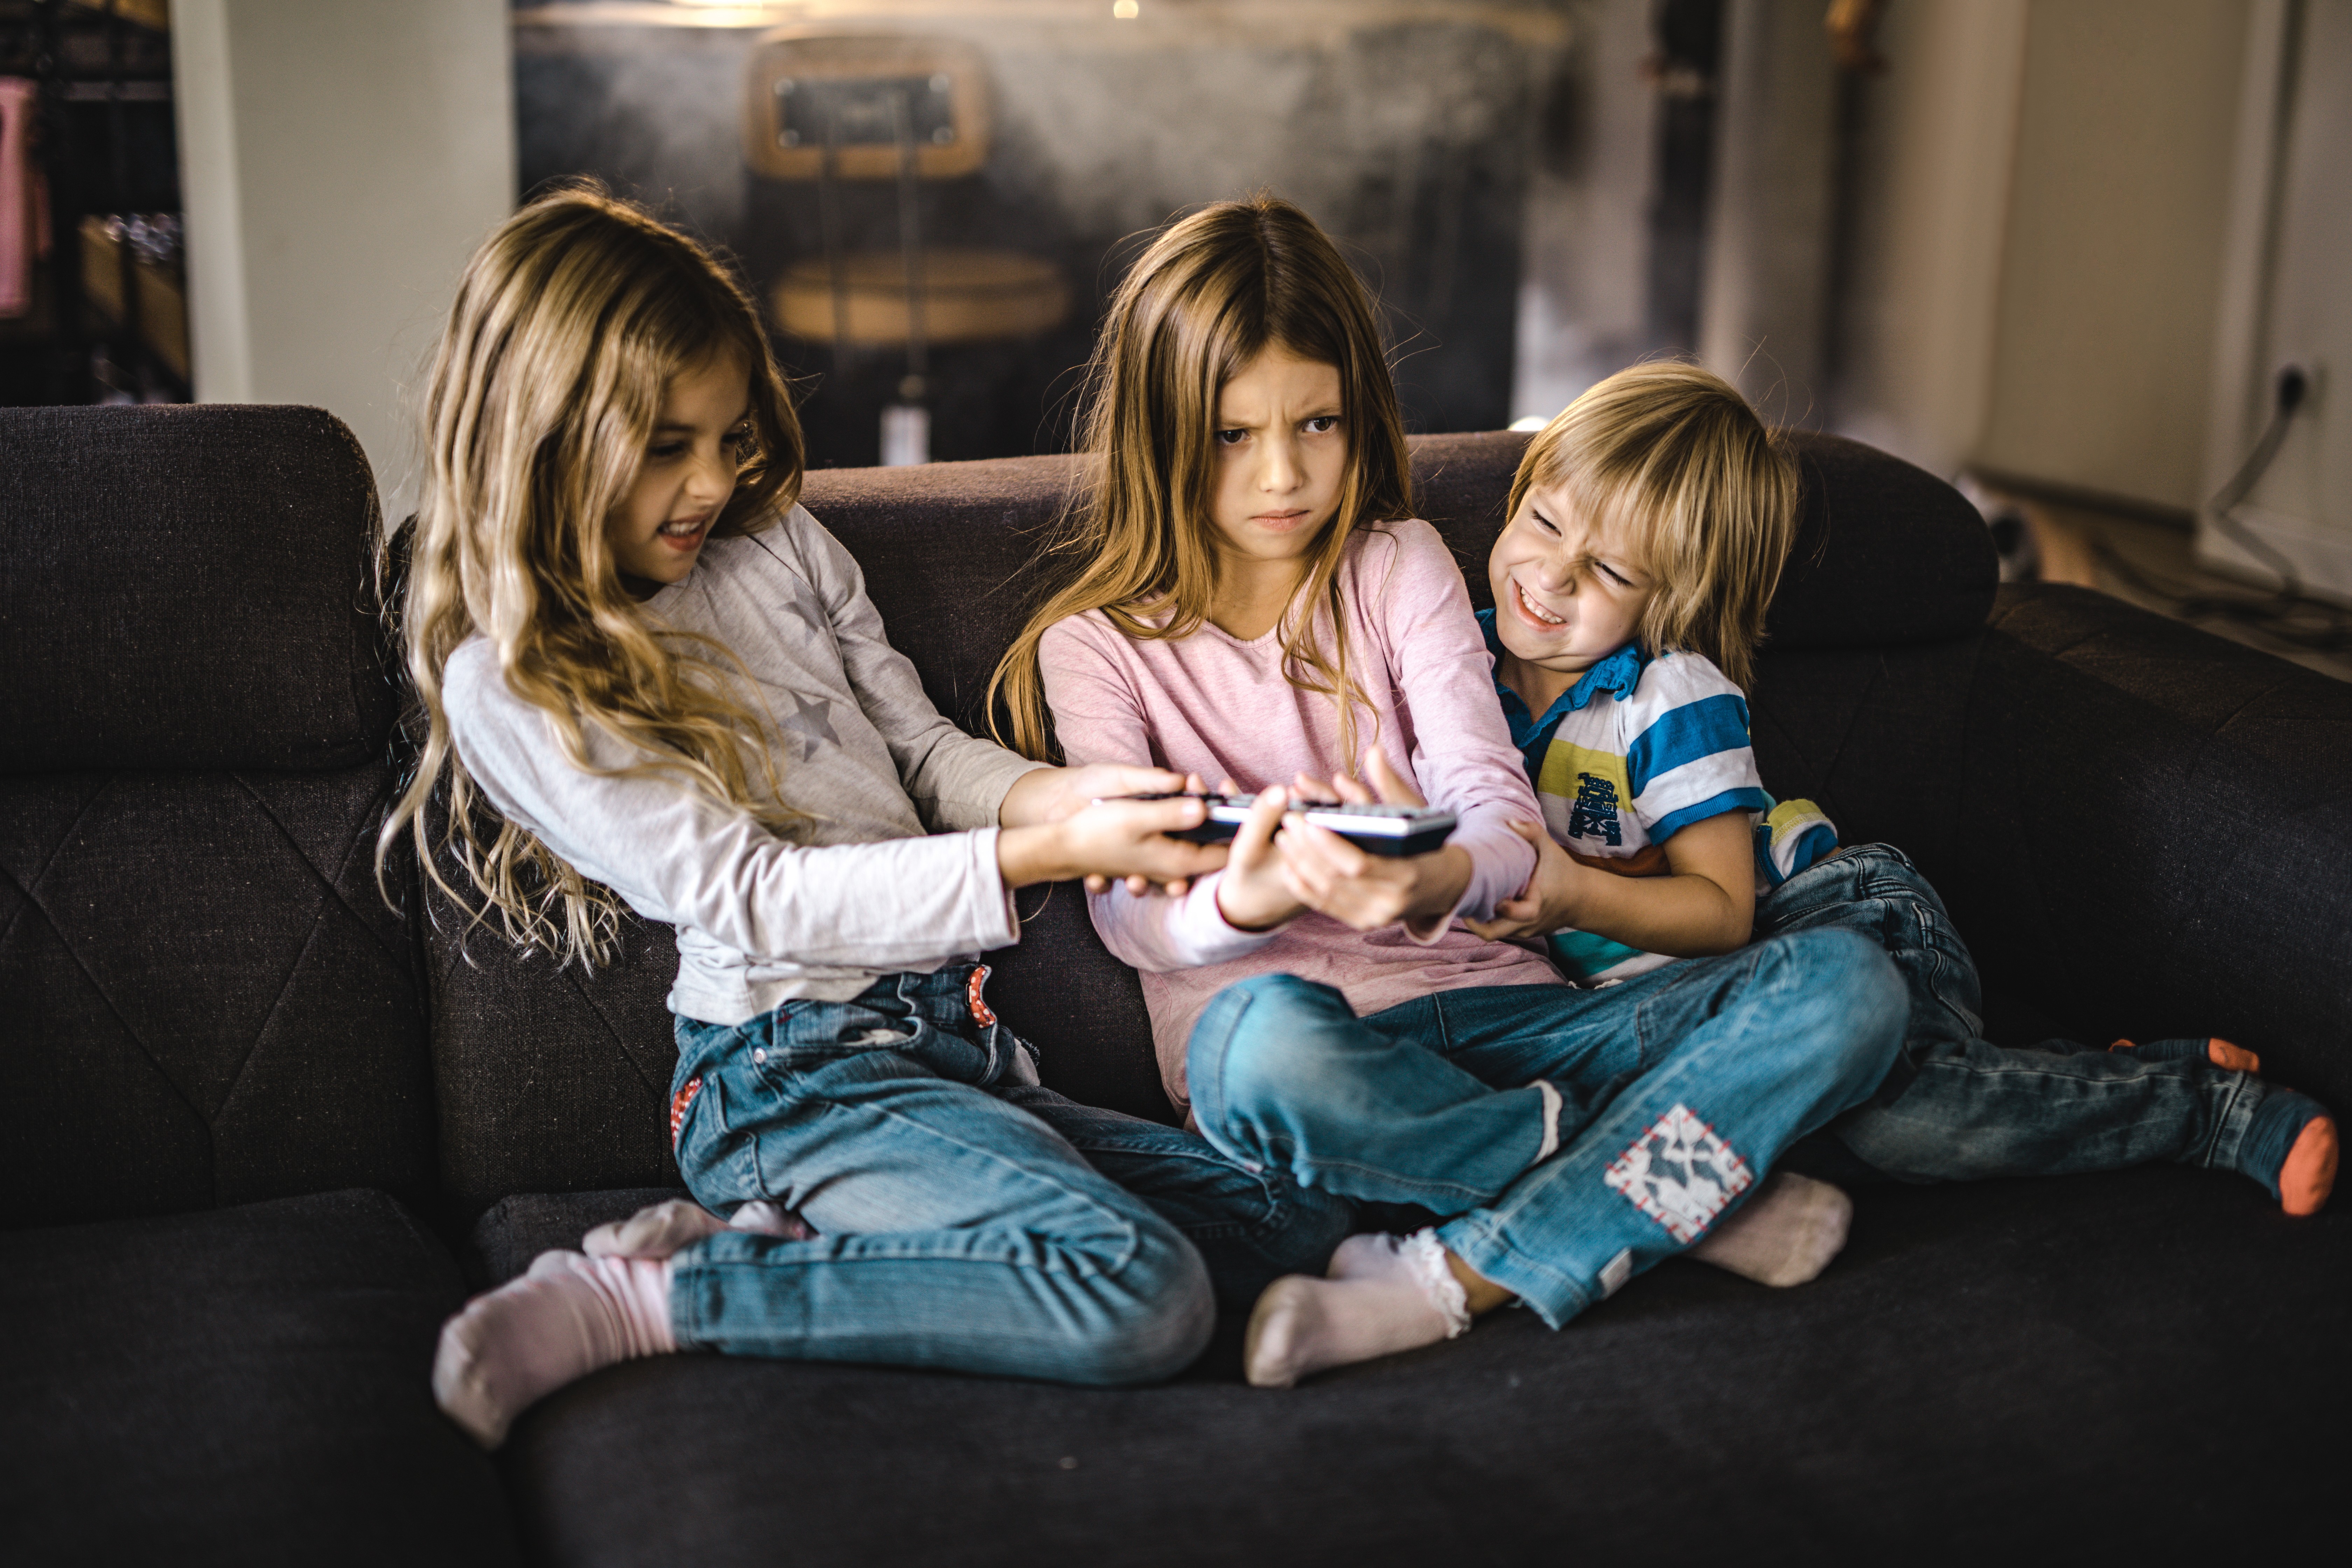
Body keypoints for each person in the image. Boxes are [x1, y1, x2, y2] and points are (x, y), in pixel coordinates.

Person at [393, 187, 1356, 1449]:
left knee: (1309, 1221)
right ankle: (654, 1296)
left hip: (956, 1052)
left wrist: (1071, 796)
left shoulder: (779, 545)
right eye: (665, 446)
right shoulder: (514, 678)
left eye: (730, 437)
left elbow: (919, 750)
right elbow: (755, 897)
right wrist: (1039, 854)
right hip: (789, 1076)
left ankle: (809, 1242)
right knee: (1138, 1293)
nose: (710, 483)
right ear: (544, 440)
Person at [992, 194, 1907, 1389]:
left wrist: (1441, 875)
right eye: (1232, 435)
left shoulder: (1398, 562)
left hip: (1519, 1021)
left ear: (1359, 410)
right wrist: (1248, 902)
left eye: (1316, 423)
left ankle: (1461, 1268)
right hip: (1321, 1060)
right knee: (1252, 1053)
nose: (1283, 475)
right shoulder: (1094, 649)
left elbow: (1494, 799)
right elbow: (1129, 915)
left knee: (1849, 985)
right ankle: (1678, 1199)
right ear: (1163, 433)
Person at [1462, 359, 2338, 1216]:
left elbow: (1723, 913)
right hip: (1705, 1004)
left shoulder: (1666, 698)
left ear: (1677, 602)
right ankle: (2063, 1079)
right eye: (1544, 519)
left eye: (1614, 571)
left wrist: (1574, 894)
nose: (1555, 573)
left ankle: (2205, 1109)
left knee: (1885, 1120)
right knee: (1757, 1127)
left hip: (1839, 925)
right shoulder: (1456, 655)